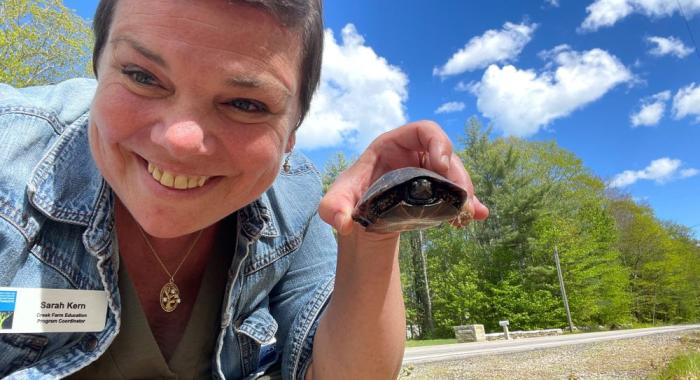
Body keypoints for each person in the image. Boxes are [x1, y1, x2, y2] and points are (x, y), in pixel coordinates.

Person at [0, 0, 489, 379]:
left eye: (245, 104)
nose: (180, 141)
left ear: (293, 133)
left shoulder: (293, 198)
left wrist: (373, 228)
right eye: (142, 76)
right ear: (98, 67)